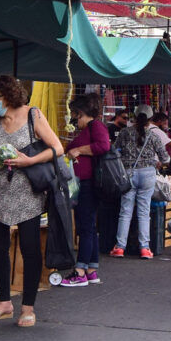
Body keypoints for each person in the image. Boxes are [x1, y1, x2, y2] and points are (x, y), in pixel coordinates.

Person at [0, 76, 63, 327]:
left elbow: (57, 148)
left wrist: (29, 161)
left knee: (30, 249)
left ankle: (28, 307)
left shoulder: (33, 115)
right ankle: (4, 302)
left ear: (9, 95)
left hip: (27, 194)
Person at [60, 93, 110, 287]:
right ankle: (91, 269)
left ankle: (80, 271)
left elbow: (103, 146)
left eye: (75, 114)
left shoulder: (96, 126)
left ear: (80, 113)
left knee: (86, 226)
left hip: (88, 184)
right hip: (84, 183)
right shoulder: (89, 129)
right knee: (88, 226)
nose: (74, 118)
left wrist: (79, 150)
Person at [110, 104, 169, 259]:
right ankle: (144, 248)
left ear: (134, 117)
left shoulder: (125, 132)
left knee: (125, 211)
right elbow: (165, 158)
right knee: (144, 212)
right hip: (148, 174)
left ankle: (120, 247)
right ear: (150, 119)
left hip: (128, 173)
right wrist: (156, 162)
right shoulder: (154, 135)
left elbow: (114, 150)